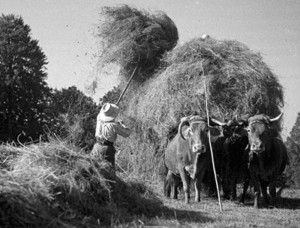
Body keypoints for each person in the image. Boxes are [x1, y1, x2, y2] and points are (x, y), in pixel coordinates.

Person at [91, 103, 131, 169]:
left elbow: (102, 117)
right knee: (109, 172)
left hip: (96, 147)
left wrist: (109, 113)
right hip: (106, 149)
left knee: (95, 169)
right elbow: (127, 133)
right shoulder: (113, 125)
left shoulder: (99, 118)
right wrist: (122, 124)